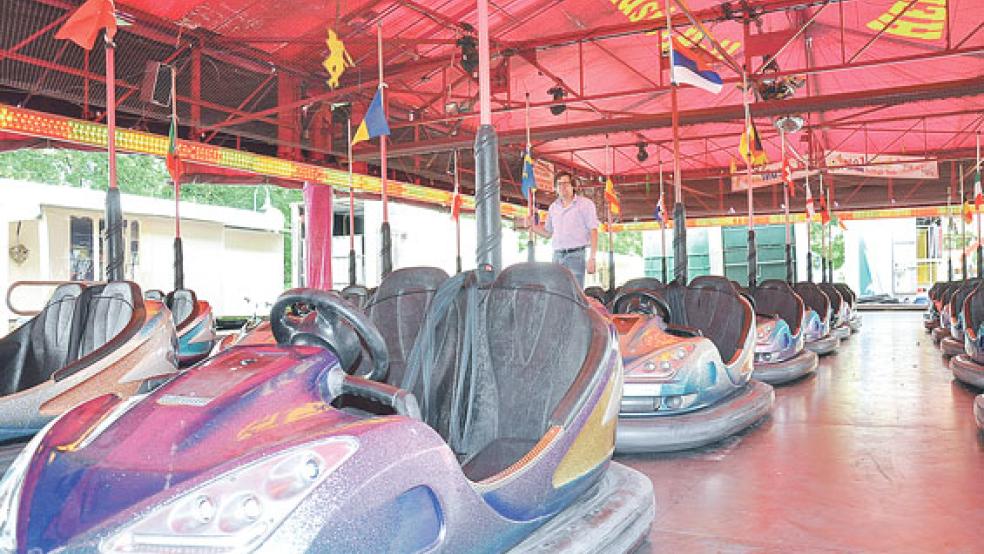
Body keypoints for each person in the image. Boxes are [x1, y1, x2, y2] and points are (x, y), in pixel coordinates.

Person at [527, 171, 599, 288]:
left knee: (575, 293)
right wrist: (532, 227)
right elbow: (548, 233)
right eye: (559, 184)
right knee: (557, 292)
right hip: (557, 256)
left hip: (576, 255)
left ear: (573, 186)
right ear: (555, 188)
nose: (562, 187)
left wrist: (592, 257)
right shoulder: (553, 208)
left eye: (565, 183)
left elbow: (593, 231)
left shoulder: (585, 204)